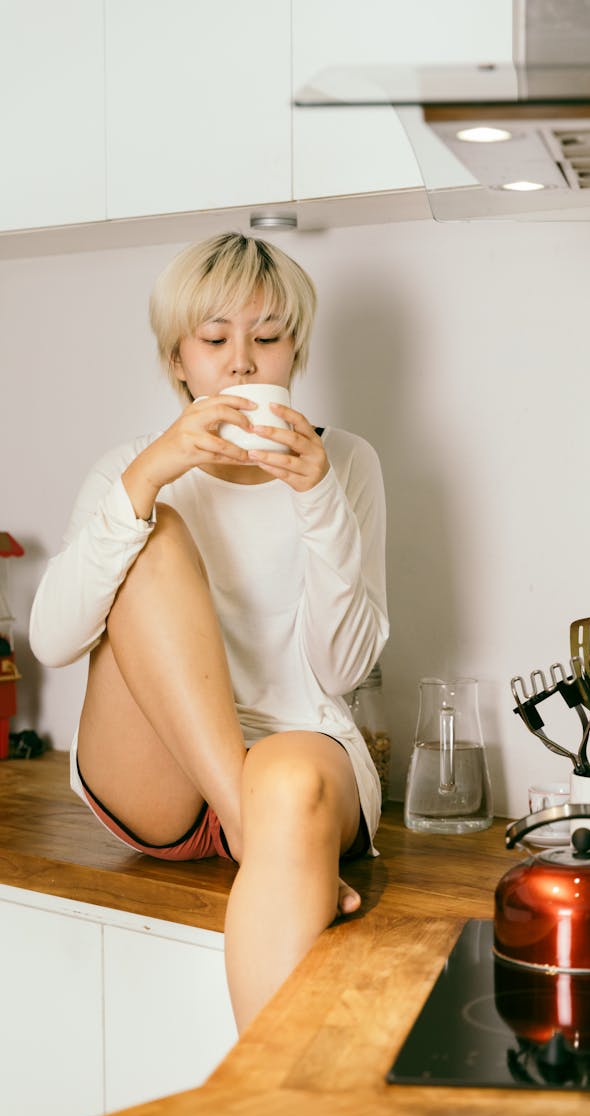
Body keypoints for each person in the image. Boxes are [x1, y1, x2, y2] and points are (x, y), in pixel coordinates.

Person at [29, 232, 388, 1032]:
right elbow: (52, 642)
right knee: (147, 535)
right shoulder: (132, 463)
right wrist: (149, 476)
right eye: (216, 340)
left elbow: (342, 670)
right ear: (177, 361)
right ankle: (254, 820)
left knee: (288, 780)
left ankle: (266, 1105)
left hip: (298, 755)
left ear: (296, 351)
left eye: (266, 339)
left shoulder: (347, 463)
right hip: (159, 775)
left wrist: (318, 496)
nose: (242, 365)